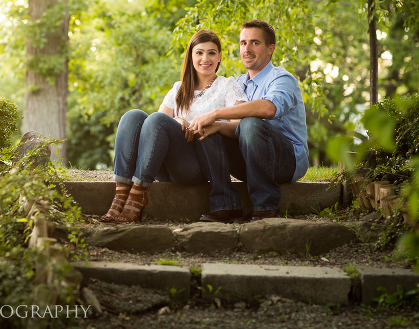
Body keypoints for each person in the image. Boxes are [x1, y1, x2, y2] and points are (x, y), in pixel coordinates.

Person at [100, 29, 248, 223]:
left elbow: (240, 127)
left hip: (194, 166)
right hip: (163, 164)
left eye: (212, 52)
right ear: (191, 56)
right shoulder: (179, 88)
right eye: (199, 52)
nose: (206, 58)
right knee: (133, 115)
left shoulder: (228, 85)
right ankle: (119, 197)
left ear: (220, 56)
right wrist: (178, 121)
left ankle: (137, 197)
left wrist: (211, 123)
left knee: (157, 119)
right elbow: (156, 126)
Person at [188, 20, 309, 223]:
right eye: (243, 43)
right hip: (251, 159)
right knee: (210, 129)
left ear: (270, 49)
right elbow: (235, 128)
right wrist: (216, 124)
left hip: (286, 161)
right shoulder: (238, 83)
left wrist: (216, 113)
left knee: (249, 122)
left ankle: (265, 207)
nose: (247, 49)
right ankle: (226, 205)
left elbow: (268, 109)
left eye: (255, 43)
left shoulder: (282, 79)